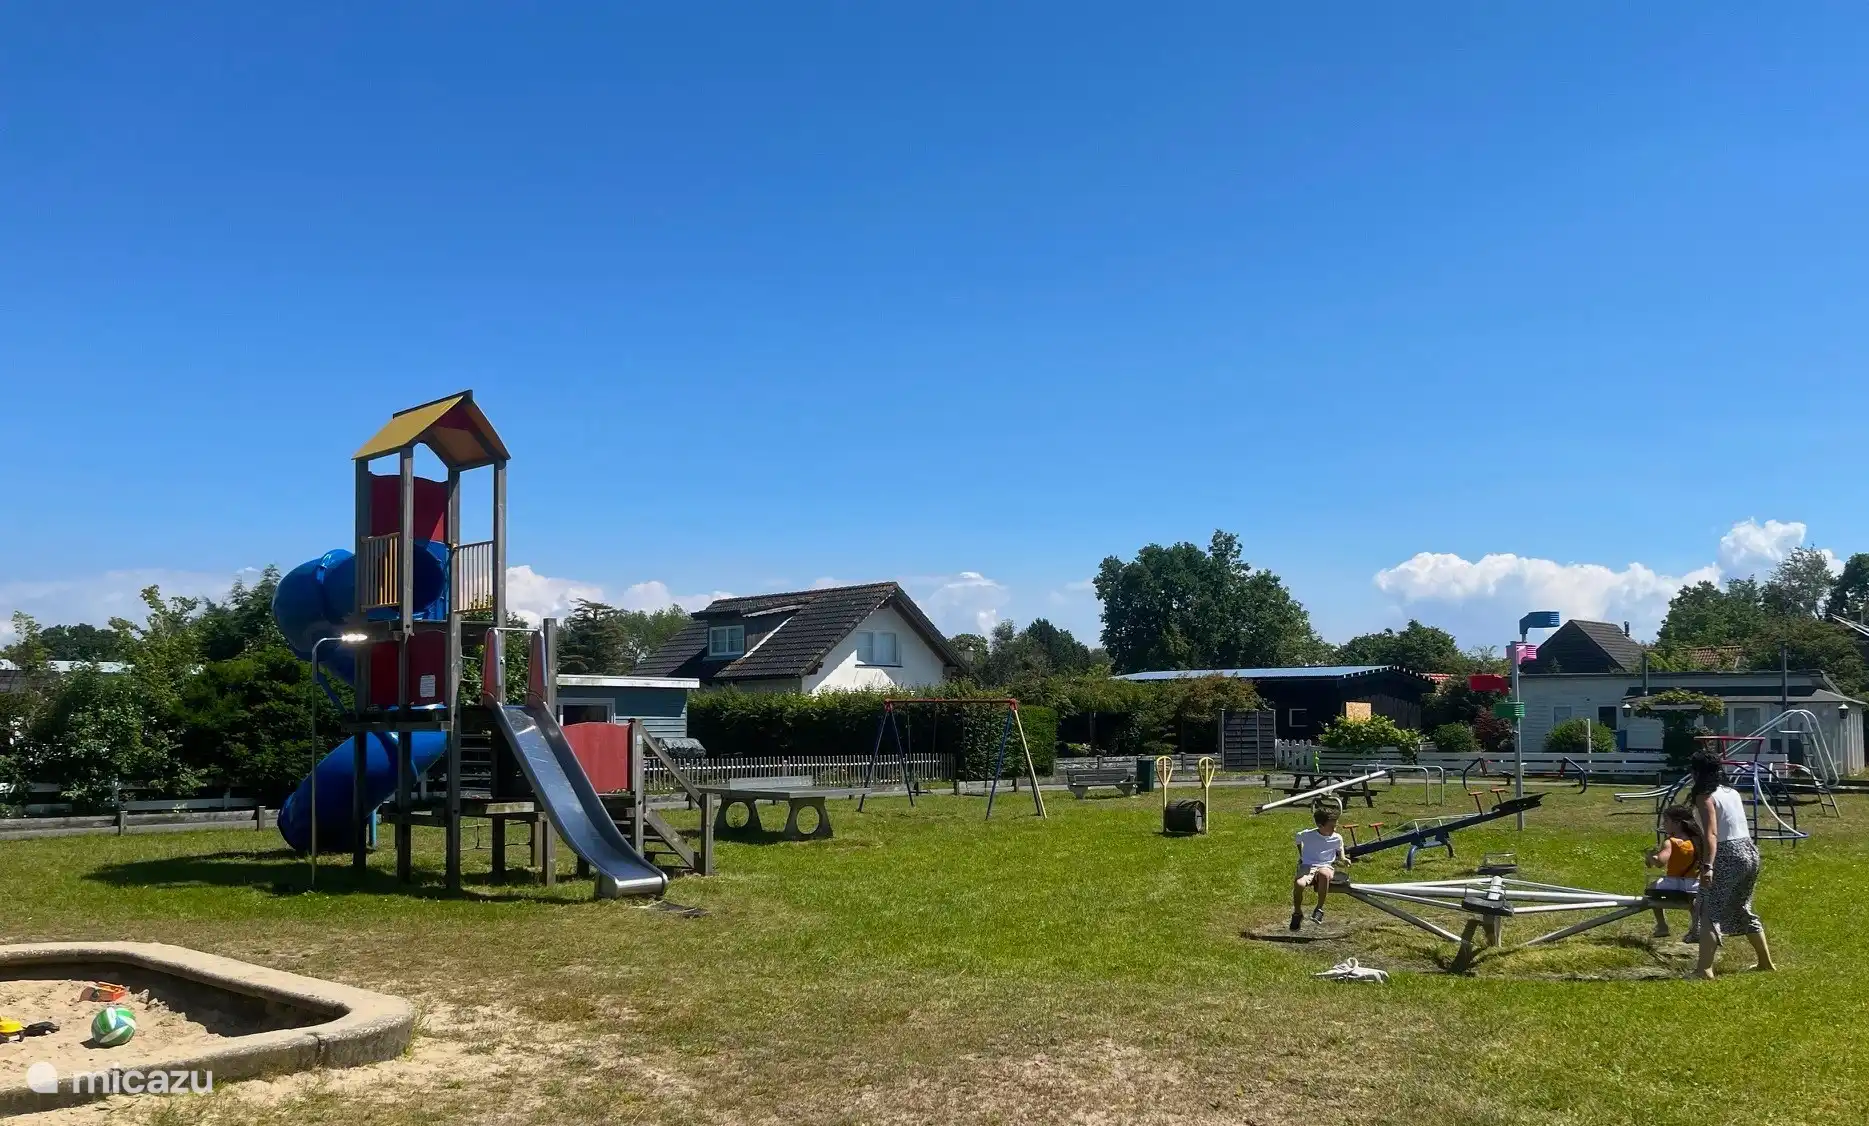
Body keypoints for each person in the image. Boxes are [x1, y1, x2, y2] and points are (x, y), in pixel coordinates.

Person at [1687, 748, 1776, 978]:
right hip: (1750, 850)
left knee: (1710, 911)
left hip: (1728, 854)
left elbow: (1711, 834)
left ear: (1697, 772)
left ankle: (1704, 969)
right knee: (1741, 907)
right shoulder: (1731, 792)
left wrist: (1708, 866)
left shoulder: (1704, 796)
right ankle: (1765, 962)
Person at [1644, 805, 1701, 942]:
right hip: (1694, 884)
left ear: (1677, 823)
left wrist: (1651, 856)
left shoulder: (1671, 842)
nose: (1664, 824)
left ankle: (1662, 925)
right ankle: (1696, 927)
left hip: (1673, 883)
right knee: (1693, 904)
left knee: (1651, 889)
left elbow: (1660, 862)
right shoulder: (1697, 841)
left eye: (1666, 821)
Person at [1291, 802, 1351, 930]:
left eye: (1335, 826)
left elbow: (1341, 852)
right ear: (1319, 825)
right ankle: (1297, 913)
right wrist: (1302, 855)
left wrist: (1344, 859)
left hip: (1325, 866)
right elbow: (1298, 840)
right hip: (1308, 865)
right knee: (1299, 884)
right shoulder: (1308, 834)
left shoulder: (1337, 838)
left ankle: (1319, 908)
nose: (1334, 829)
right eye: (1331, 826)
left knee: (1324, 874)